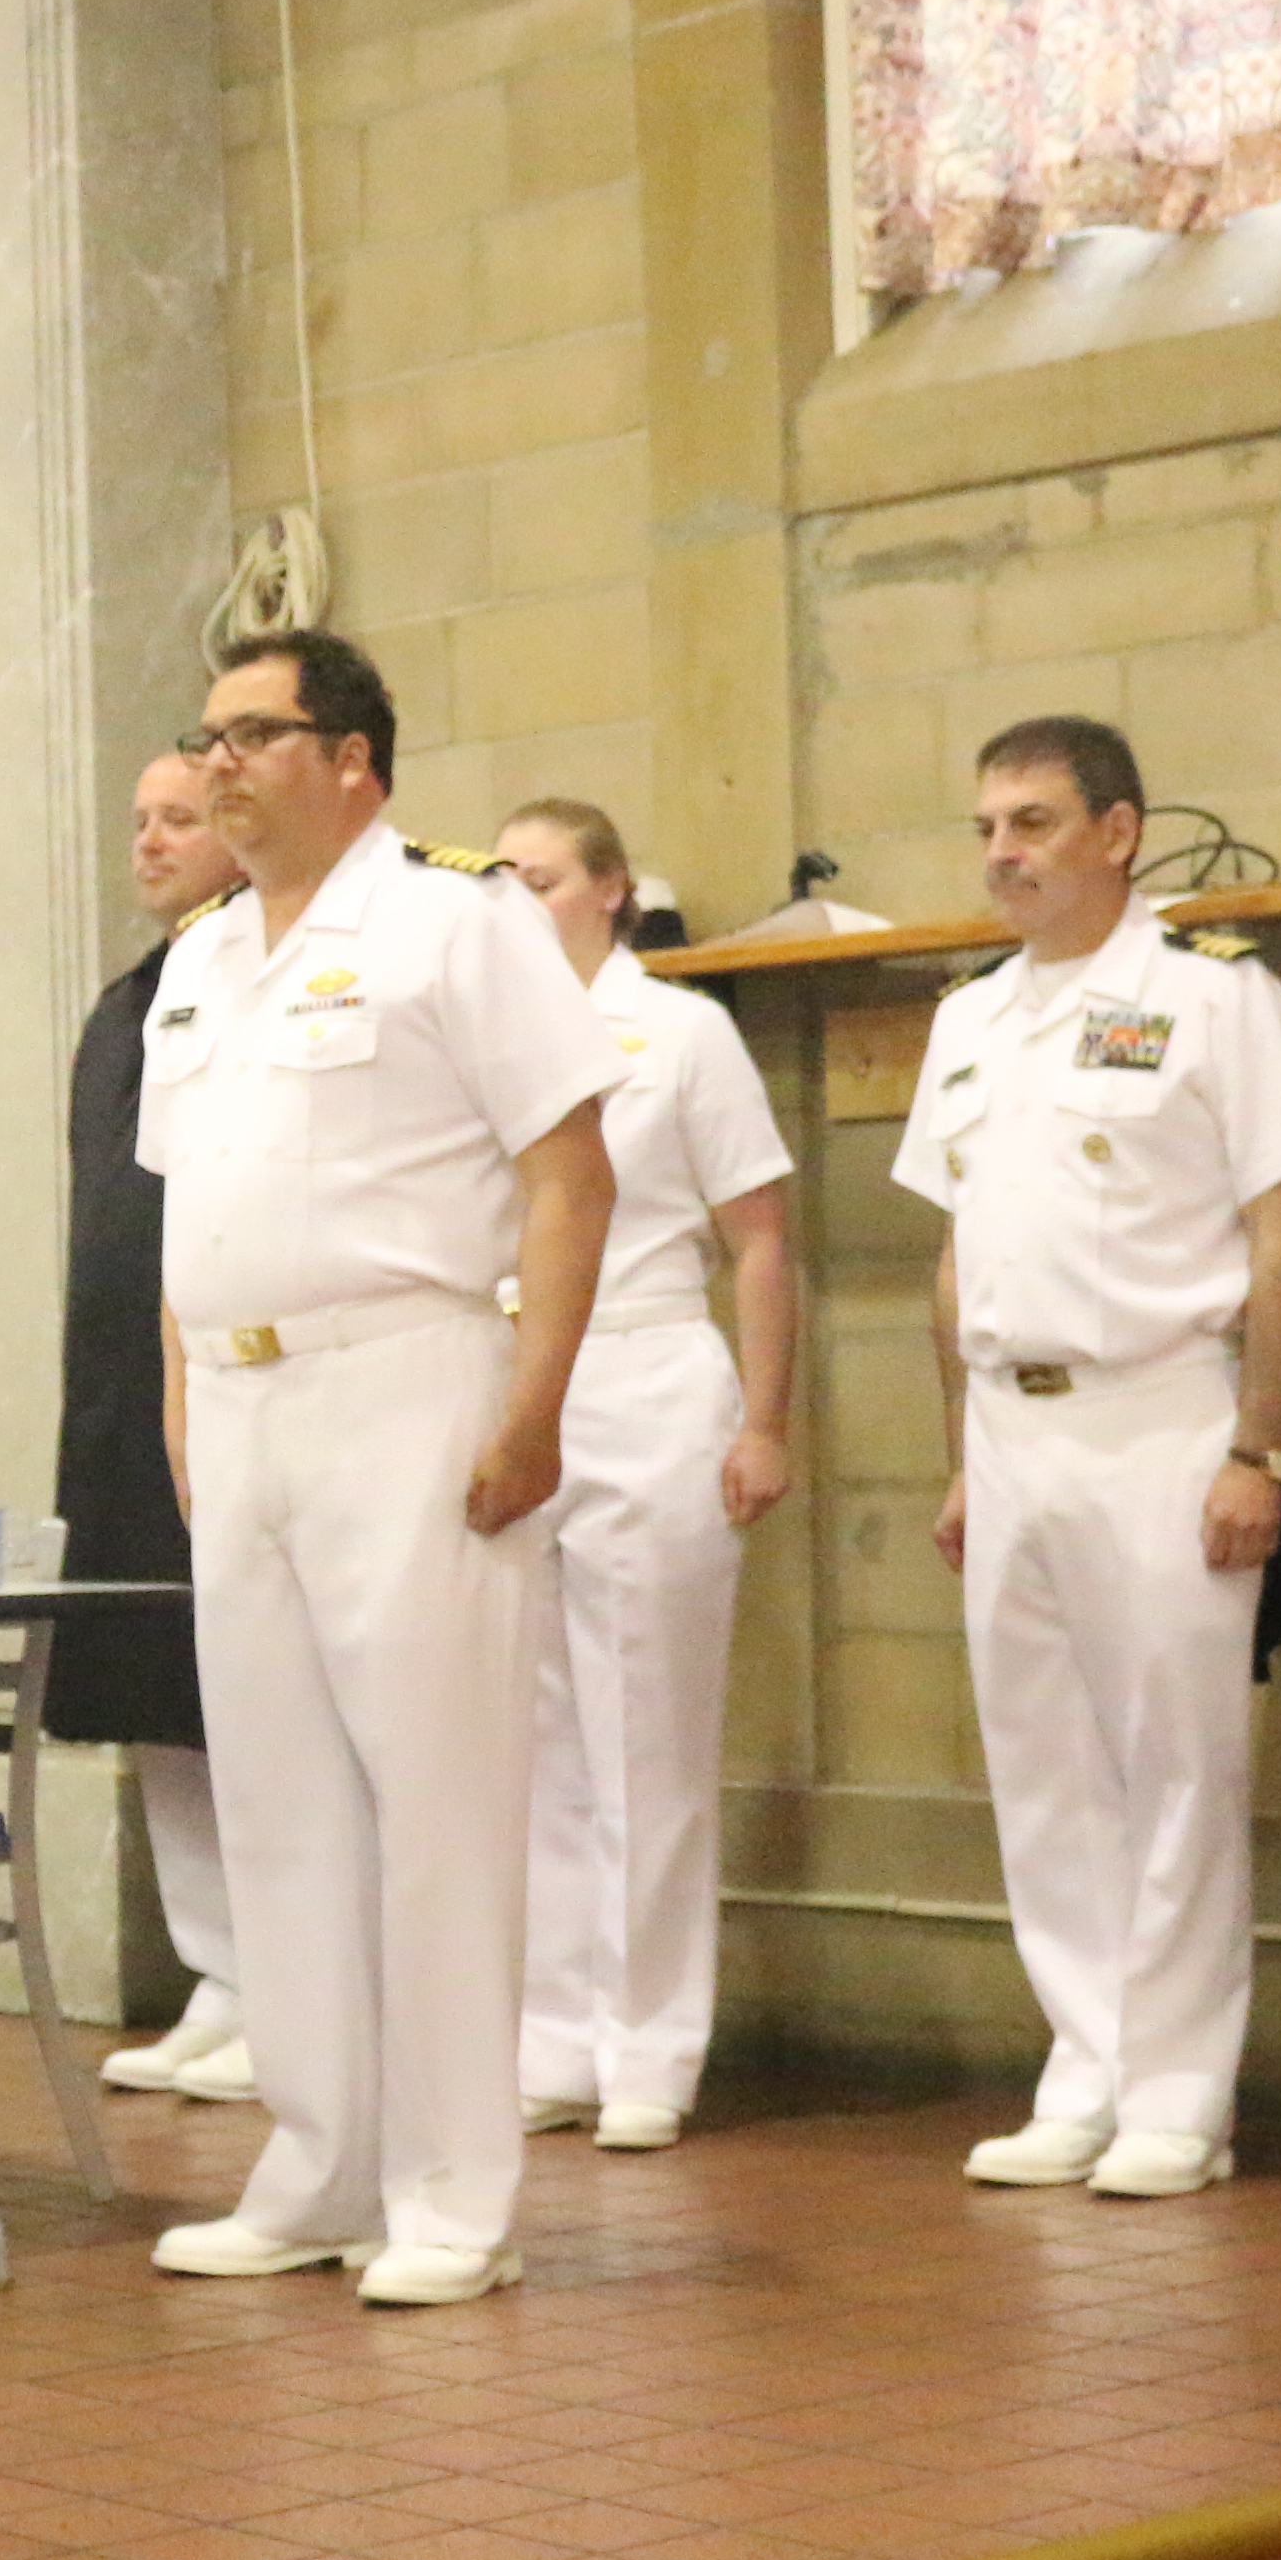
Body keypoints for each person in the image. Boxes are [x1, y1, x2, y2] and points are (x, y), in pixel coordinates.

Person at [139, 628, 618, 2309]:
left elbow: (569, 1170)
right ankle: (316, 2162)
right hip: (248, 1409)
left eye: (253, 735)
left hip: (406, 1386)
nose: (217, 766)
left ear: (352, 758)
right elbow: (183, 1215)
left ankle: (449, 2193)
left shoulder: (452, 918)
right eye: (206, 738)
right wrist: (187, 1397)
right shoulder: (199, 960)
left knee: (436, 1798)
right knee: (276, 1803)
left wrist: (533, 1402)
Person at [896, 720, 1281, 2199]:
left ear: (1119, 832)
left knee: (1176, 1764)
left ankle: (1179, 2094)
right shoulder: (971, 1019)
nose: (1003, 852)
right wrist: (961, 1454)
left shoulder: (1213, 999)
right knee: (1044, 1766)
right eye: (986, 827)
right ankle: (1083, 2066)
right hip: (1012, 1426)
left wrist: (1258, 1445)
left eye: (1032, 822)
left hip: (1163, 1414)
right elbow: (956, 1251)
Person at [491, 797, 799, 2151]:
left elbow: (765, 1239)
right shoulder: (482, 1041)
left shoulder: (680, 1033)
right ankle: (552, 2032)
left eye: (543, 878)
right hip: (518, 1380)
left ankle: (651, 2045)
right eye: (498, 880)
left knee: (646, 1736)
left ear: (613, 891)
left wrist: (766, 1421)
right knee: (536, 1735)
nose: (518, 901)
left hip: (652, 1369)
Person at [55, 744, 253, 2104]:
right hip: (125, 1395)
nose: (150, 840)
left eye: (178, 817)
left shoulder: (257, 979)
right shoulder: (129, 1003)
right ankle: (217, 1970)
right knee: (151, 1691)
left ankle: (288, 1982)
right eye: (139, 821)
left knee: (246, 1699)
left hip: (230, 1392)